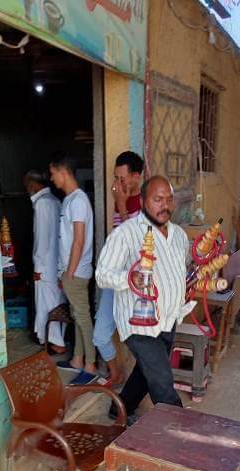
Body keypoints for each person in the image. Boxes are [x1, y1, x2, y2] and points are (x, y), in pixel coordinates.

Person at [96, 175, 195, 424]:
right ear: (142, 201)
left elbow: (180, 268)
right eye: (157, 199)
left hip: (169, 318)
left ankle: (119, 409)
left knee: (146, 369)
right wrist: (129, 279)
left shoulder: (179, 235)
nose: (165, 205)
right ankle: (178, 431)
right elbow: (102, 275)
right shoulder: (125, 234)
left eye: (169, 199)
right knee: (162, 380)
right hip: (138, 322)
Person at [93, 151, 144, 385]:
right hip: (115, 278)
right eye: (115, 178)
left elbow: (135, 248)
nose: (117, 184)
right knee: (100, 335)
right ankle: (115, 373)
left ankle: (142, 384)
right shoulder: (120, 201)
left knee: (139, 339)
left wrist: (122, 206)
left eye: (122, 178)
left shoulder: (145, 203)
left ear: (136, 177)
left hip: (135, 283)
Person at [49, 153, 96, 375]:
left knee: (82, 317)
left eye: (53, 174)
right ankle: (78, 359)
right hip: (71, 270)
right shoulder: (70, 200)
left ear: (63, 172)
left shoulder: (78, 201)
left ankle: (91, 363)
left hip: (76, 271)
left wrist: (70, 272)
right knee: (77, 316)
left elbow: (79, 240)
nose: (52, 179)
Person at [24, 169, 66, 353]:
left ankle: (56, 343)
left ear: (33, 185)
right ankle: (57, 340)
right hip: (57, 264)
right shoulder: (55, 201)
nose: (27, 189)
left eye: (27, 185)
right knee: (57, 302)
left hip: (45, 265)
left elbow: (42, 238)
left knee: (46, 304)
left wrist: (38, 266)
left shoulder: (42, 204)